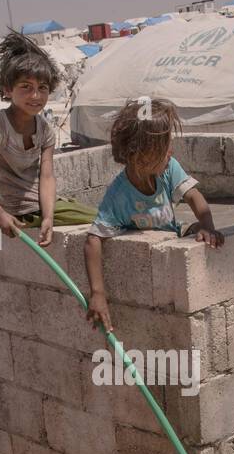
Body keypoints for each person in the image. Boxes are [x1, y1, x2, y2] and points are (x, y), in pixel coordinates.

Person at [83, 97, 224, 332]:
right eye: (164, 147)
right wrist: (98, 293)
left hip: (174, 233)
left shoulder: (168, 168)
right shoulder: (119, 195)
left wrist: (207, 225)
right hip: (154, 258)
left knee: (199, 235)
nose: (171, 151)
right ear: (141, 154)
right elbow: (93, 240)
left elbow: (194, 196)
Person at [0, 30, 97, 247]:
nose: (35, 96)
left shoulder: (45, 130)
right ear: (8, 90)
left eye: (42, 88)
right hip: (19, 212)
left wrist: (48, 218)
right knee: (106, 220)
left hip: (44, 207)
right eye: (26, 87)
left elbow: (46, 177)